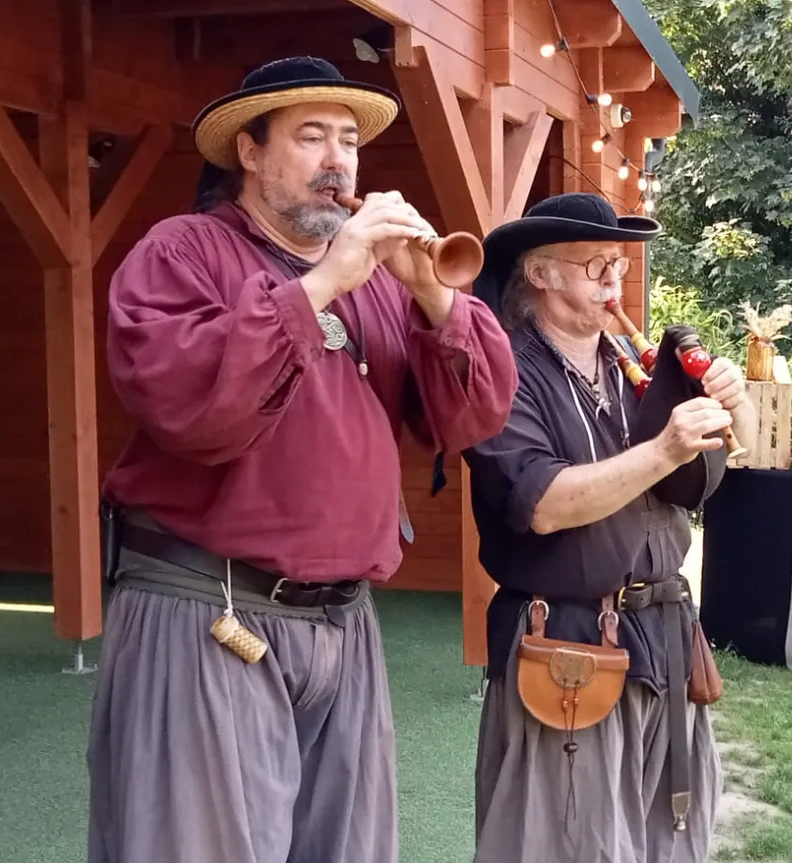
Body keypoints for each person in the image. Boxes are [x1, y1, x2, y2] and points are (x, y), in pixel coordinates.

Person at [86, 57, 517, 863]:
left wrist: (431, 294)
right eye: (311, 137)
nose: (337, 161)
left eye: (348, 141)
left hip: (342, 623)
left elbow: (473, 416)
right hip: (206, 611)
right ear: (248, 152)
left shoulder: (380, 283)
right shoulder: (180, 251)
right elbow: (191, 406)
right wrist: (323, 282)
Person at [461, 192, 756, 862]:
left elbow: (708, 475)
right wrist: (663, 449)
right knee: (566, 844)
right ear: (541, 273)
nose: (612, 282)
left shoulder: (638, 366)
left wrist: (729, 407)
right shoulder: (502, 372)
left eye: (617, 266)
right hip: (567, 649)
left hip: (665, 639)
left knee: (669, 840)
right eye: (594, 265)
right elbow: (544, 503)